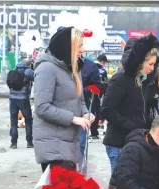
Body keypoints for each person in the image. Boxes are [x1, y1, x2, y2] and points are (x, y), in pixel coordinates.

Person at [33, 26, 93, 173]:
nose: (82, 50)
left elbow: (80, 99)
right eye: (79, 46)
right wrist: (73, 118)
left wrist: (85, 113)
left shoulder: (74, 68)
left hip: (70, 143)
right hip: (53, 145)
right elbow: (42, 107)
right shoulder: (46, 68)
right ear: (68, 47)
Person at [102, 34, 159, 172]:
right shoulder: (121, 79)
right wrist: (130, 126)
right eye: (150, 64)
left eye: (154, 64)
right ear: (141, 61)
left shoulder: (143, 80)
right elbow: (107, 109)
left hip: (134, 141)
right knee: (120, 187)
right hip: (118, 143)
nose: (152, 68)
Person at [7, 59, 34, 149]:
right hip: (23, 99)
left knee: (13, 120)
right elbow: (37, 79)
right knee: (28, 119)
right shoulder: (28, 71)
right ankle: (29, 142)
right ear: (29, 65)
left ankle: (14, 143)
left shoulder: (14, 70)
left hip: (12, 99)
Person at [80, 56, 103, 157]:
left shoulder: (90, 65)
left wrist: (87, 89)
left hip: (83, 109)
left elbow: (97, 86)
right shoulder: (58, 62)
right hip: (60, 113)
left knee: (80, 145)